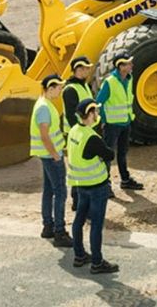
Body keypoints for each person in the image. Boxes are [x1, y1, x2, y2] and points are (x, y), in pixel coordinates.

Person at [68, 99, 119, 274]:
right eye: (96, 112)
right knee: (96, 224)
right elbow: (110, 154)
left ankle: (79, 255)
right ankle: (97, 262)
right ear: (90, 115)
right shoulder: (92, 138)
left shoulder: (74, 131)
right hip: (97, 186)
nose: (98, 114)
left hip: (80, 184)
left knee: (79, 219)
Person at [30, 74, 72, 247]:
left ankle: (48, 226)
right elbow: (44, 134)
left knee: (49, 190)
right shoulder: (44, 108)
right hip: (51, 156)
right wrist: (55, 154)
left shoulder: (43, 104)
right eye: (59, 87)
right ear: (51, 88)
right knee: (60, 191)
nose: (60, 90)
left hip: (47, 155)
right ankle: (59, 231)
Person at [96, 51, 144, 195]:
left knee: (123, 153)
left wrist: (129, 118)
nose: (131, 65)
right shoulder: (110, 82)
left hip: (125, 123)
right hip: (112, 126)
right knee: (108, 155)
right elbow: (99, 103)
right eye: (128, 63)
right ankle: (105, 184)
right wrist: (105, 120)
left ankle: (125, 180)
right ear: (121, 66)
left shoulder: (129, 79)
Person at [63, 56, 96, 211]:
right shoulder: (70, 89)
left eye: (87, 68)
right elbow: (71, 115)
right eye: (81, 68)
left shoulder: (84, 86)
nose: (85, 71)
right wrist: (81, 133)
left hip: (85, 131)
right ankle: (77, 201)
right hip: (76, 134)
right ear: (75, 70)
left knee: (82, 168)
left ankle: (80, 201)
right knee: (77, 168)